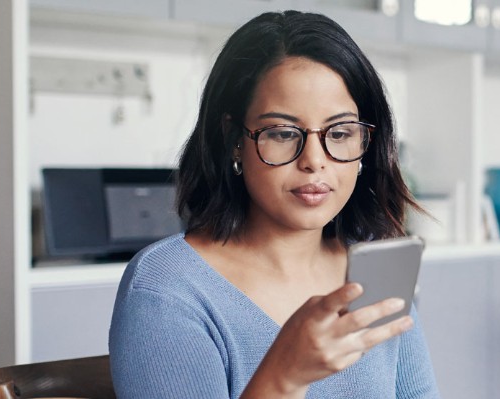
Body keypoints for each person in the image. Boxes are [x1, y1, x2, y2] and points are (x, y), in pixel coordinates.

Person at [108, 11, 439, 399]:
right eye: (282, 132)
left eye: (341, 132)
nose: (314, 160)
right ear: (233, 139)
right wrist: (283, 377)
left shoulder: (372, 269)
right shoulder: (167, 289)